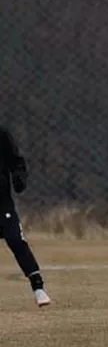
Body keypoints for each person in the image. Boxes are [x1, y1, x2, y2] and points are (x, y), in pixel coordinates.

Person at [0, 126, 51, 307]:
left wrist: (19, 177)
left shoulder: (2, 133)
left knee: (15, 240)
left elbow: (16, 161)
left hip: (2, 203)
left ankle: (38, 288)